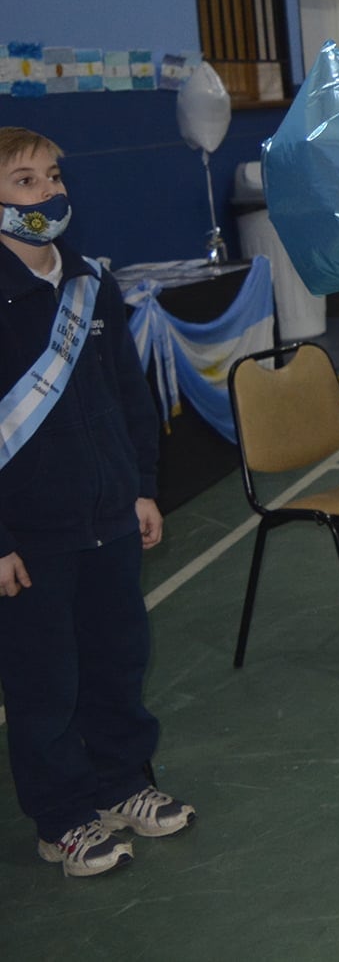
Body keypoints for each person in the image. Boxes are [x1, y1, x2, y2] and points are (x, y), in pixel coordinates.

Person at [0, 127, 196, 878]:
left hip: (110, 516)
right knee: (45, 680)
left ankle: (122, 784)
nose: (47, 194)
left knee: (117, 661)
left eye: (52, 177)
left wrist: (143, 485)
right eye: (24, 182)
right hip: (31, 536)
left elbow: (129, 394)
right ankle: (62, 815)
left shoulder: (90, 280)